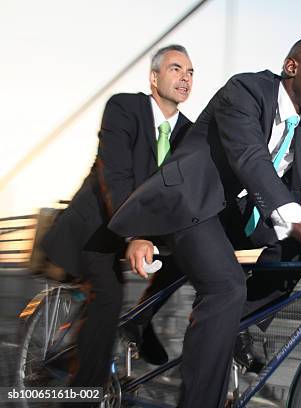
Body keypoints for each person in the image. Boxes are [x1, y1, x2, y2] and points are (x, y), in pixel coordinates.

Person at [109, 37, 301, 408]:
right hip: (188, 202)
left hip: (229, 211)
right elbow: (251, 161)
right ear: (292, 68)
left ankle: (244, 328)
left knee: (295, 244)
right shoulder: (244, 90)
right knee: (227, 287)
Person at [41, 44, 194, 401]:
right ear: (154, 78)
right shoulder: (124, 107)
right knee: (108, 295)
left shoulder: (188, 131)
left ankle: (141, 319)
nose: (185, 77)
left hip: (143, 230)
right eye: (175, 69)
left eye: (190, 72)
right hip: (98, 226)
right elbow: (117, 177)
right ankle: (86, 394)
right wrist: (136, 234)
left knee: (191, 257)